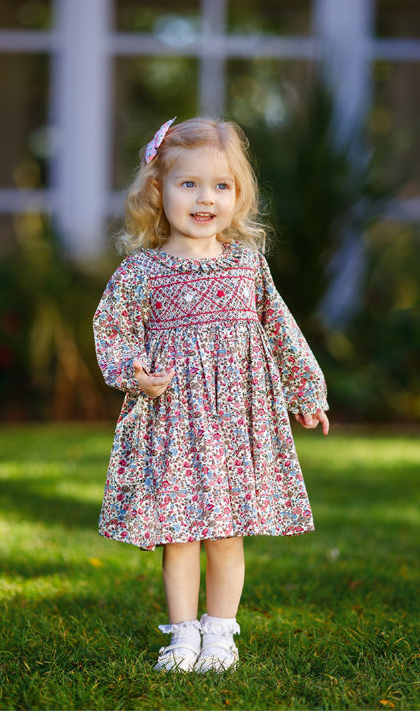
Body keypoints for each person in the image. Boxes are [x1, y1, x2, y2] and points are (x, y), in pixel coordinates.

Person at [93, 117, 329, 674]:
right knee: (179, 532)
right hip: (175, 419)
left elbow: (279, 327)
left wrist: (305, 389)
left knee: (226, 533)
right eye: (189, 184)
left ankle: (220, 634)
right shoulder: (143, 271)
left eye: (221, 186)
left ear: (238, 195)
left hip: (235, 422)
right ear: (159, 191)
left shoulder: (246, 265)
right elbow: (112, 329)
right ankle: (182, 637)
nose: (206, 198)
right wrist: (134, 371)